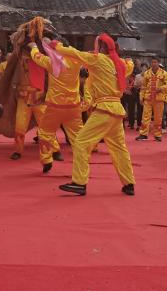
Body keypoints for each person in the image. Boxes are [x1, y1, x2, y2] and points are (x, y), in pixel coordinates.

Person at [52, 33, 136, 196]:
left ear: (102, 47)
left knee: (81, 142)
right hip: (116, 111)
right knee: (119, 148)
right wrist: (128, 60)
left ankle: (79, 182)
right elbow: (130, 64)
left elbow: (75, 53)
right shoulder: (121, 64)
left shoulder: (98, 59)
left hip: (104, 109)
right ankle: (129, 183)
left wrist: (56, 46)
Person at [28, 39, 84, 173]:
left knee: (45, 133)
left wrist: (34, 46)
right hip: (73, 106)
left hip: (55, 106)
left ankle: (46, 159)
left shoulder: (51, 62)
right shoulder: (76, 61)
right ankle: (82, 165)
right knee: (78, 137)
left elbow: (36, 56)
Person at [136, 58, 167, 142]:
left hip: (159, 99)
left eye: (155, 62)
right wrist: (141, 97)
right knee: (145, 117)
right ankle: (143, 134)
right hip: (148, 98)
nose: (153, 64)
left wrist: (161, 88)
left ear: (159, 63)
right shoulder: (147, 73)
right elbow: (143, 87)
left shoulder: (164, 73)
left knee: (158, 118)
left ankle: (157, 135)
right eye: (152, 62)